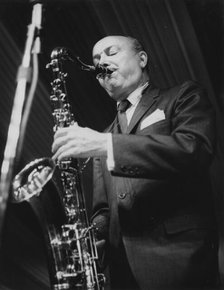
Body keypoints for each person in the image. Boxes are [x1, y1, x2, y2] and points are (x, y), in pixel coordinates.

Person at [52, 35, 219, 290]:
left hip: (180, 262)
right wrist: (92, 236)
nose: (101, 63)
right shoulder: (104, 133)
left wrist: (107, 145)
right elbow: (103, 211)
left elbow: (194, 148)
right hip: (123, 275)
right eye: (96, 60)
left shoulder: (183, 95)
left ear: (142, 59)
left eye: (111, 52)